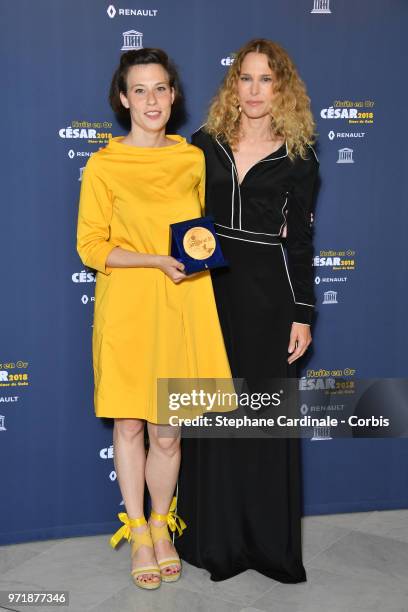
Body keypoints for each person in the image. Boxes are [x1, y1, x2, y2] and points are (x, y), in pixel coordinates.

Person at [76, 48, 232, 590]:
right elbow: (91, 246)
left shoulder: (191, 158)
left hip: (183, 301)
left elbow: (201, 232)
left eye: (160, 88)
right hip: (129, 305)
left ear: (174, 94)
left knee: (168, 431)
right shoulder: (103, 163)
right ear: (123, 99)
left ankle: (164, 525)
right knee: (130, 423)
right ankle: (138, 530)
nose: (151, 99)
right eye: (139, 90)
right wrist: (152, 260)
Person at [177, 38, 319, 582]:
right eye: (245, 78)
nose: (254, 90)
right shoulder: (203, 144)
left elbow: (302, 241)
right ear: (232, 86)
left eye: (265, 79)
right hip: (206, 290)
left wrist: (302, 312)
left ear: (281, 88)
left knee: (262, 418)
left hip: (268, 295)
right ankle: (214, 541)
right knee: (212, 413)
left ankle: (267, 545)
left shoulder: (298, 157)